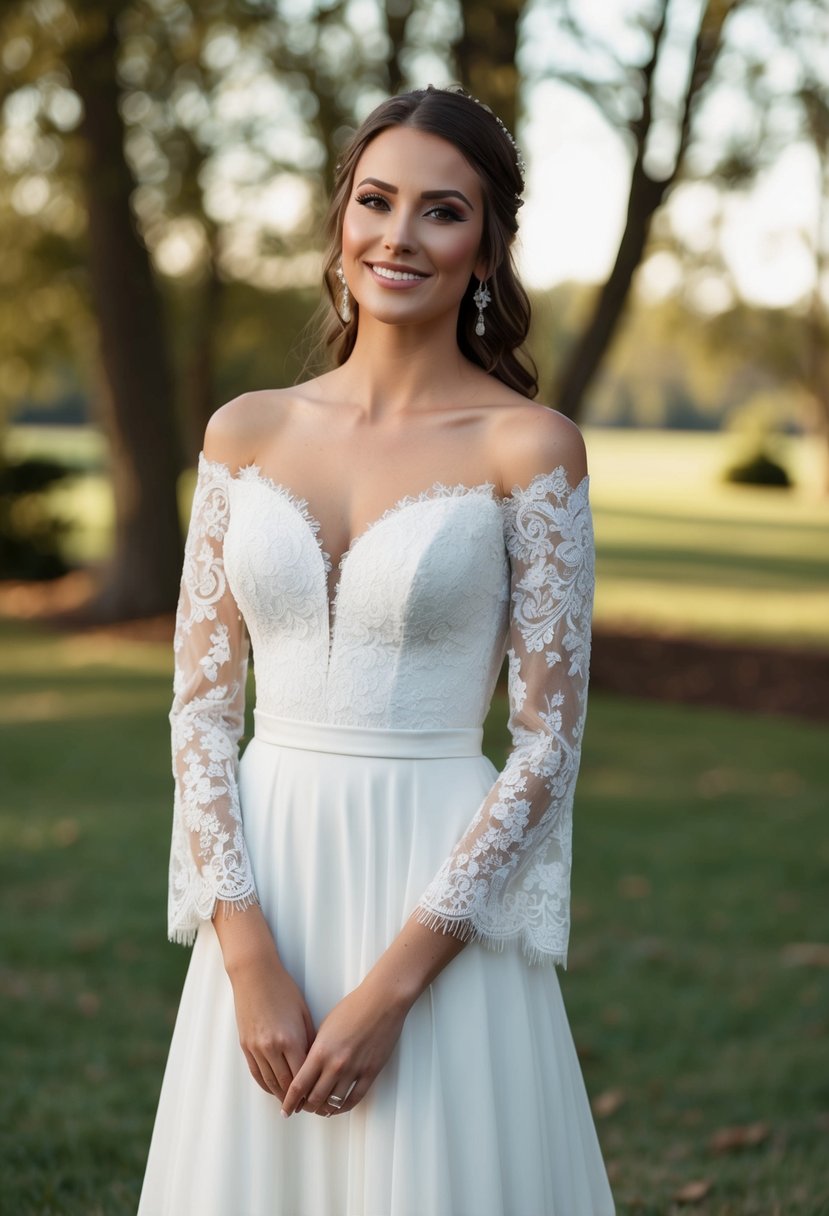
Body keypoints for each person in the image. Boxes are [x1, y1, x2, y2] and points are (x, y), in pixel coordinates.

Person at [139, 84, 615, 1216]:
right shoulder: (244, 431)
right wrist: (247, 953)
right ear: (340, 223)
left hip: (437, 892)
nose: (399, 235)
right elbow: (201, 713)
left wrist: (395, 987)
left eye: (441, 211)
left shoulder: (528, 445)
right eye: (375, 200)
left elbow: (548, 745)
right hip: (269, 879)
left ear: (487, 249)